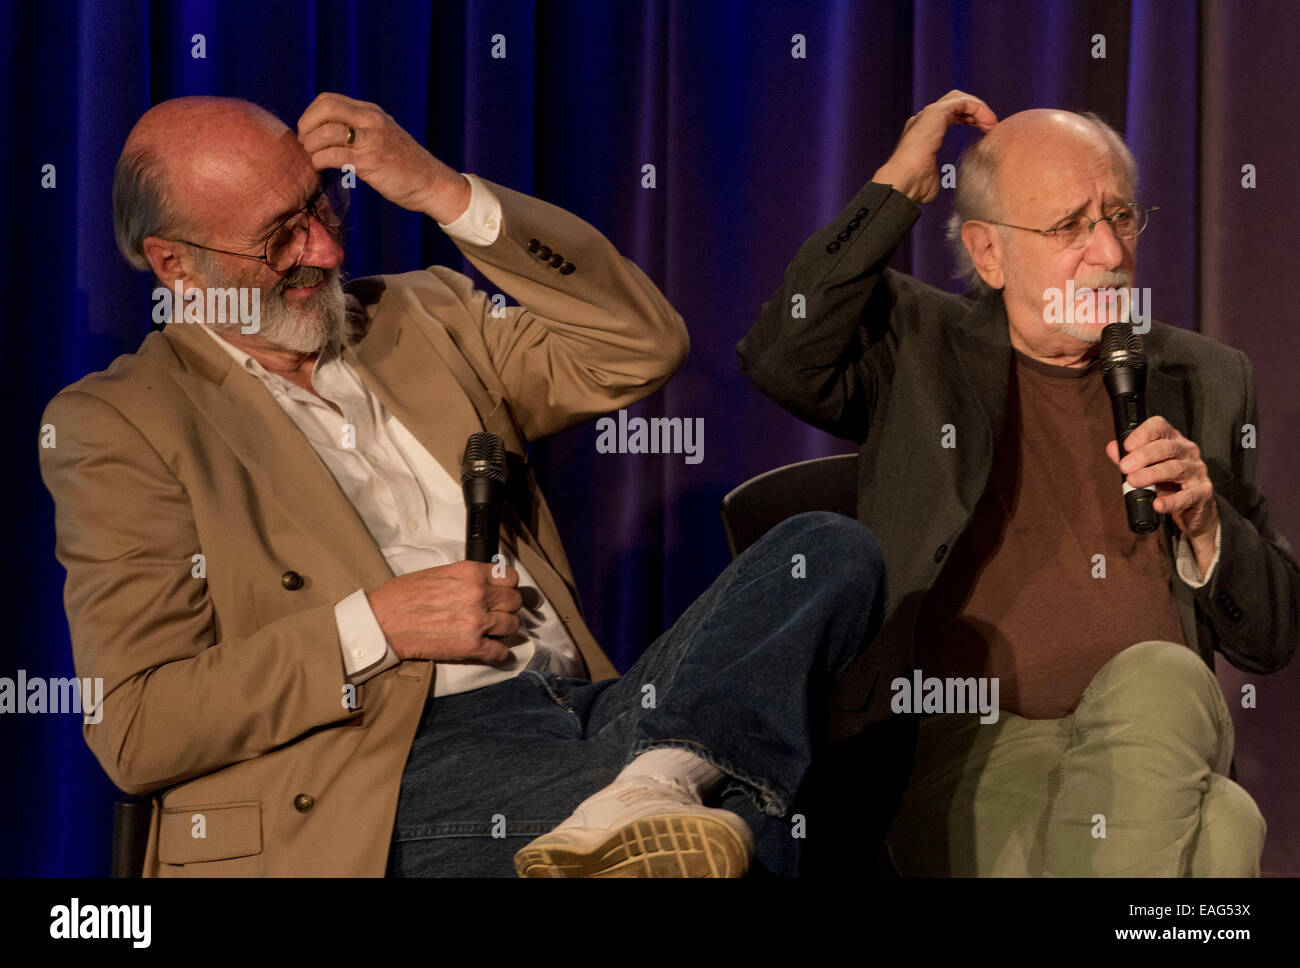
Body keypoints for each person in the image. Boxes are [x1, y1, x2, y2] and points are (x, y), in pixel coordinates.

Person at [39, 94, 888, 878]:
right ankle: (665, 790)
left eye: (320, 208)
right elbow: (138, 724)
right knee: (778, 824)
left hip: (589, 708)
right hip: (386, 762)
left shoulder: (424, 315)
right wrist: (377, 624)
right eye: (279, 239)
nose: (326, 250)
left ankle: (648, 783)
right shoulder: (122, 421)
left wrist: (444, 192)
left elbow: (637, 347)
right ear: (175, 265)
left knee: (828, 550)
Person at [737, 90, 1299, 876]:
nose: (1108, 253)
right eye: (1070, 226)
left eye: (1121, 217)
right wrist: (897, 184)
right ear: (990, 253)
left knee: (1165, 671)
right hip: (962, 748)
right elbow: (778, 355)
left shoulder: (1202, 376)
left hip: (1157, 740)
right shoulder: (916, 345)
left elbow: (1271, 637)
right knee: (1226, 829)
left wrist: (1208, 525)